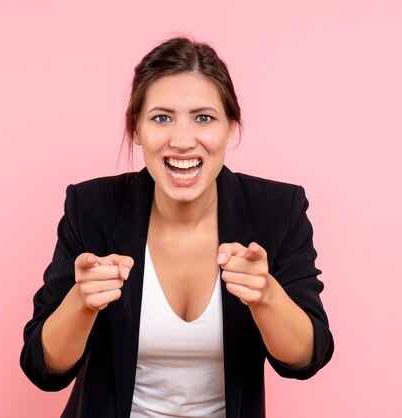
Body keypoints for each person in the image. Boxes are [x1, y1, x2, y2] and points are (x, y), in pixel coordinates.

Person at [20, 36, 334, 418]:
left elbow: (306, 359)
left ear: (231, 127)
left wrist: (265, 295)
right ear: (135, 128)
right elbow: (43, 368)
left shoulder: (278, 210)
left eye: (204, 118)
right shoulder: (91, 208)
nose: (182, 140)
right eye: (161, 118)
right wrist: (82, 302)